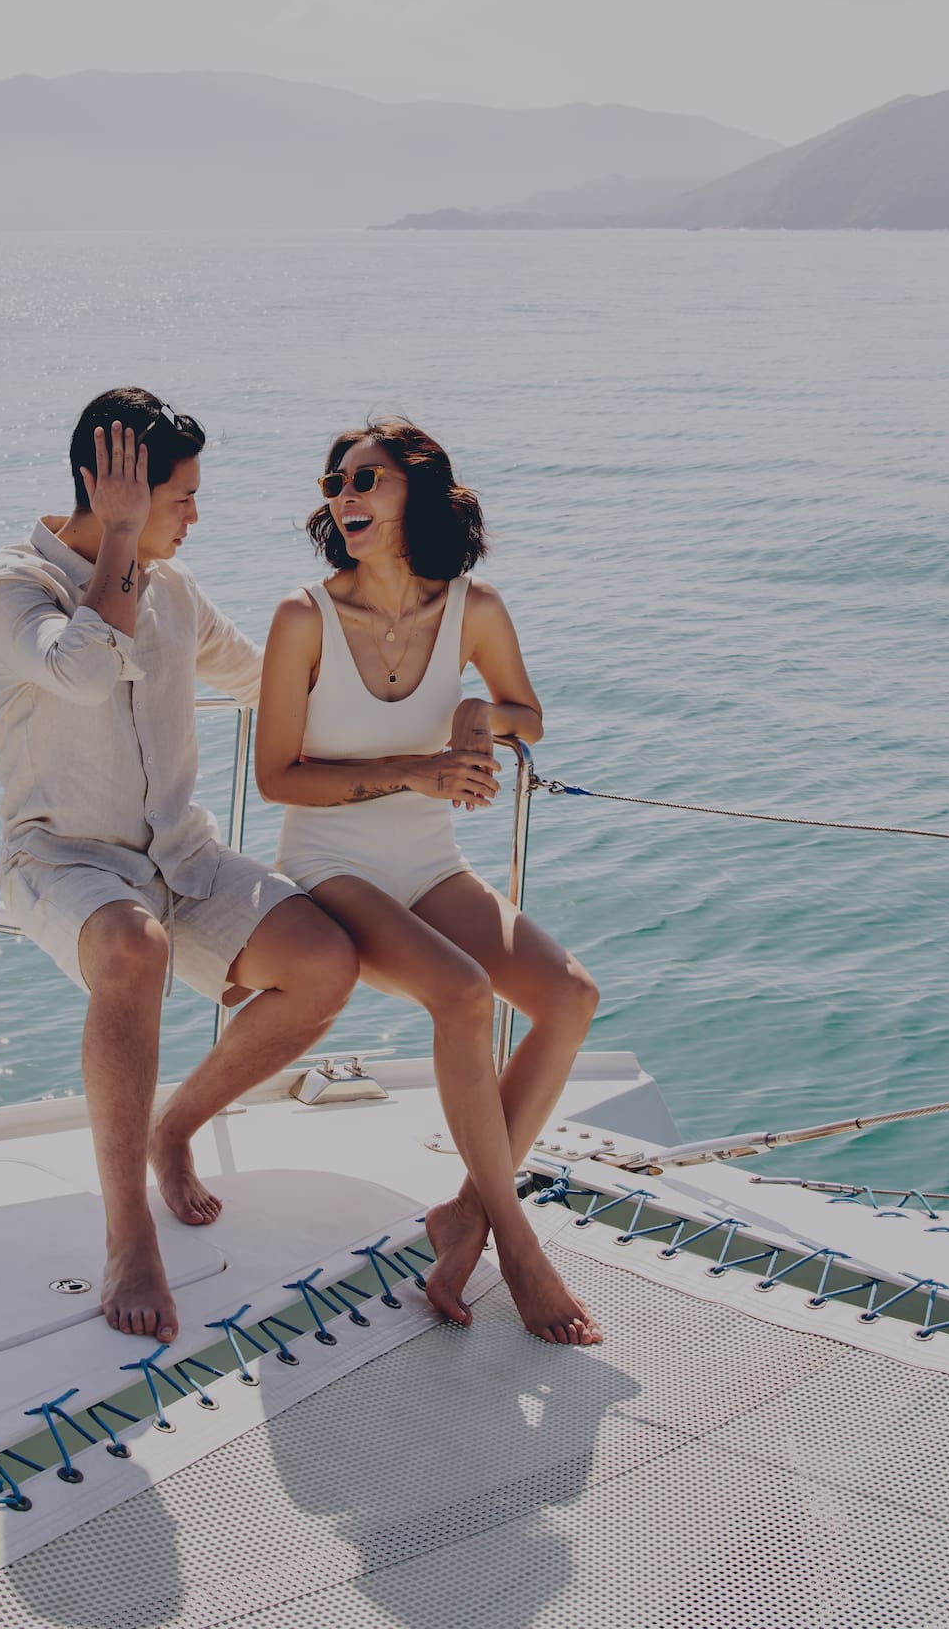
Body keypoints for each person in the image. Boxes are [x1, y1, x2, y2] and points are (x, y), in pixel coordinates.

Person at [0, 387, 357, 1344]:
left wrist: (410, 699)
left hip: (181, 855)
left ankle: (171, 1129)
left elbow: (267, 675)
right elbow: (81, 671)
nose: (194, 515)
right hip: (65, 862)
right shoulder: (11, 588)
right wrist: (118, 546)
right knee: (133, 950)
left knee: (324, 966)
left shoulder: (175, 591)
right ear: (121, 498)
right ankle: (126, 1229)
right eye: (180, 497)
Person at [256, 417, 602, 1346]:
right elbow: (276, 776)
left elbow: (531, 714)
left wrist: (482, 713)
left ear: (418, 492)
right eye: (337, 483)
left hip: (429, 864)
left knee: (569, 997)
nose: (345, 496)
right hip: (330, 864)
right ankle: (516, 1242)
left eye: (365, 479)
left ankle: (467, 1213)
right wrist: (415, 768)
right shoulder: (303, 618)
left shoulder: (472, 610)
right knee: (462, 994)